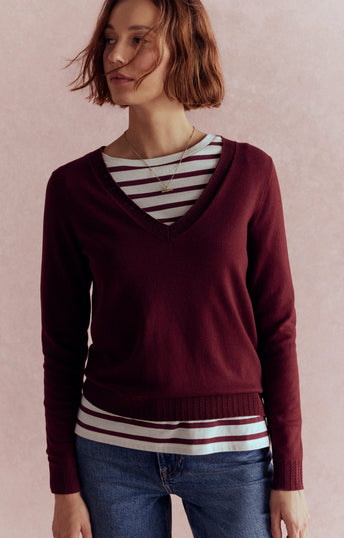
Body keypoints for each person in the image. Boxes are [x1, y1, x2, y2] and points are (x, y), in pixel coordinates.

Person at [40, 0, 310, 536]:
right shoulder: (72, 188)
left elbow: (278, 330)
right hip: (110, 456)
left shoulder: (251, 174)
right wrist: (64, 486)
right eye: (110, 39)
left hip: (233, 455)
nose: (115, 55)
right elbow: (62, 346)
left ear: (184, 48)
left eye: (138, 39)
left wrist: (291, 474)